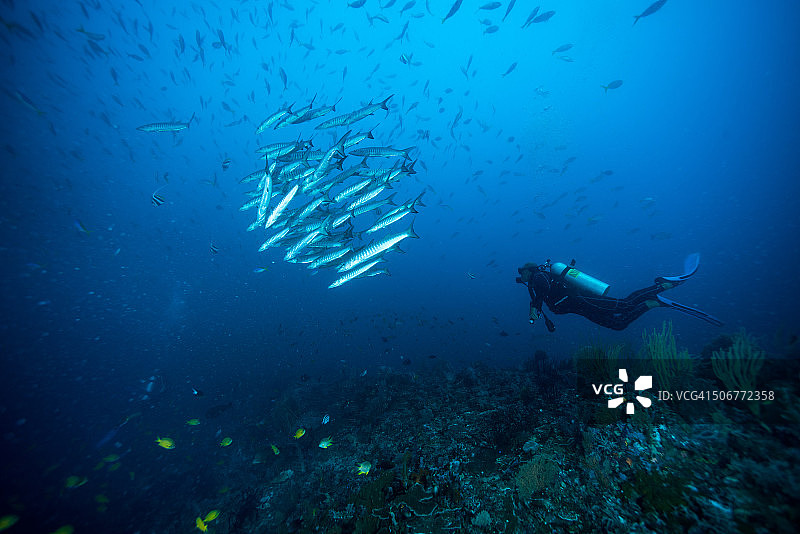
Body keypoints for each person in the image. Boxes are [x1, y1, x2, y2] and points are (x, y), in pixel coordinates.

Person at [516, 253, 723, 331]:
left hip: (581, 301)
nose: (521, 275)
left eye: (522, 271)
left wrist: (535, 307)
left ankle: (663, 285)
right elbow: (540, 297)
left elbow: (542, 292)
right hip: (580, 308)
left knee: (624, 305)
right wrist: (534, 306)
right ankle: (651, 303)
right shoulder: (534, 283)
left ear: (529, 270)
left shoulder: (539, 277)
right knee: (618, 324)